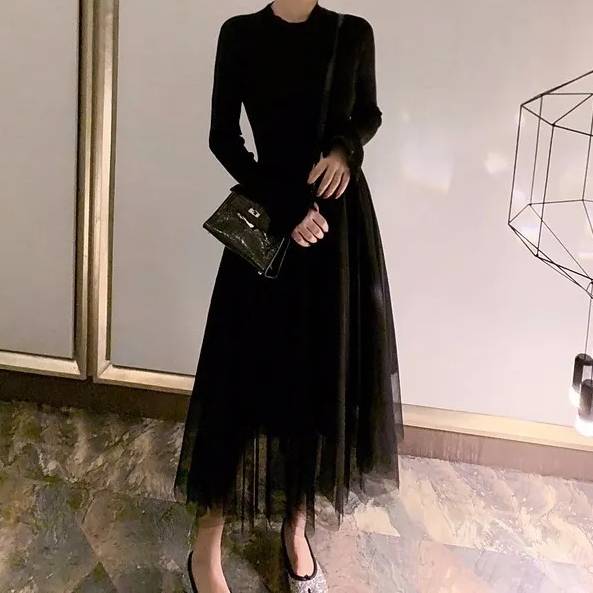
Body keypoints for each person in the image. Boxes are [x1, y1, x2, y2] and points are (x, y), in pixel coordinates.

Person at [174, 1, 404, 592]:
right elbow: (223, 138)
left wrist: (344, 148)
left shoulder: (353, 33)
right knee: (237, 379)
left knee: (316, 377)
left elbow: (368, 113)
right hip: (272, 216)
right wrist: (286, 204)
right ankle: (207, 542)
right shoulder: (240, 34)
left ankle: (295, 529)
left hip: (338, 231)